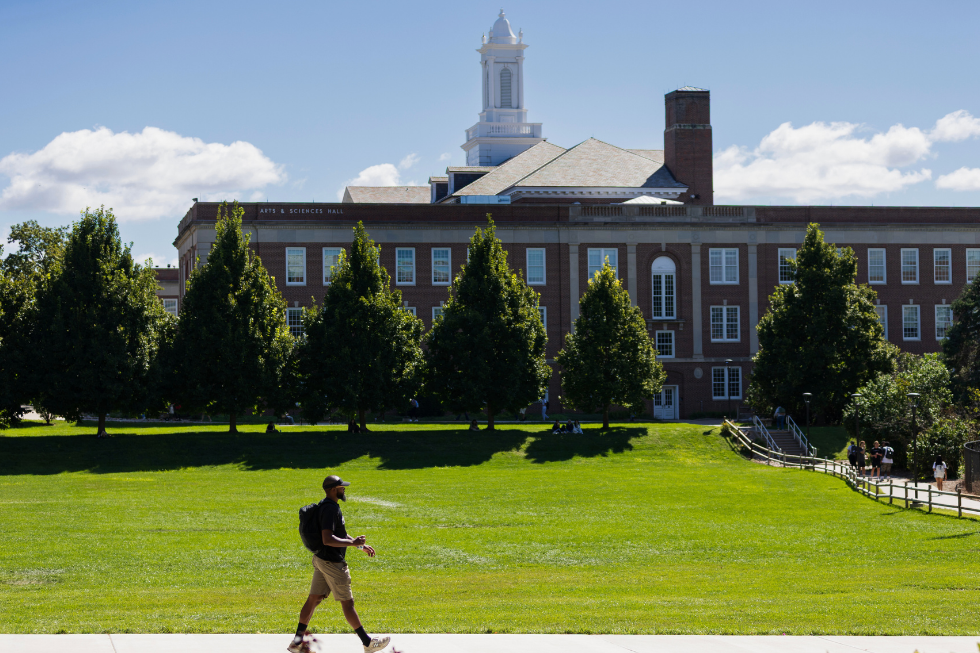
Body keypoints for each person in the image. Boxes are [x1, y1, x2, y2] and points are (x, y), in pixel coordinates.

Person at [288, 476, 390, 653]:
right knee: (347, 602)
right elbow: (327, 539)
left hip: (321, 560)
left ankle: (297, 643)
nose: (344, 489)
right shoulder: (330, 509)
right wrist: (353, 543)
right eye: (342, 487)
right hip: (332, 564)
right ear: (334, 489)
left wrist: (360, 545)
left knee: (313, 599)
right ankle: (367, 643)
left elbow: (340, 534)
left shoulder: (326, 505)